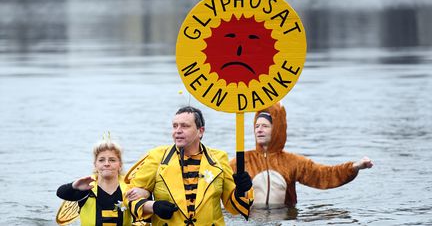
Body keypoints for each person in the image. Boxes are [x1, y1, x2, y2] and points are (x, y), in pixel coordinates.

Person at [125, 106, 254, 225]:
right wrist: (153, 206)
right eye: (175, 126)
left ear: (200, 131)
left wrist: (242, 190)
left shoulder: (219, 159)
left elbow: (234, 207)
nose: (178, 131)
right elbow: (128, 197)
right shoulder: (156, 157)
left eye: (184, 126)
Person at [229, 102, 373, 208]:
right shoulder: (241, 161)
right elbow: (219, 182)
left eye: (265, 126)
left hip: (283, 217)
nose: (259, 130)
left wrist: (353, 167)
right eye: (257, 126)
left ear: (277, 129)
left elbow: (324, 175)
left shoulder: (292, 162)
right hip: (251, 218)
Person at [56, 135, 149, 226]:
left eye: (112, 160)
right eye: (101, 160)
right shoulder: (87, 188)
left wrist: (147, 193)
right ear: (95, 165)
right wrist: (74, 186)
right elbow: (61, 193)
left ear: (120, 164)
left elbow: (147, 217)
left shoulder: (130, 189)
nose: (107, 164)